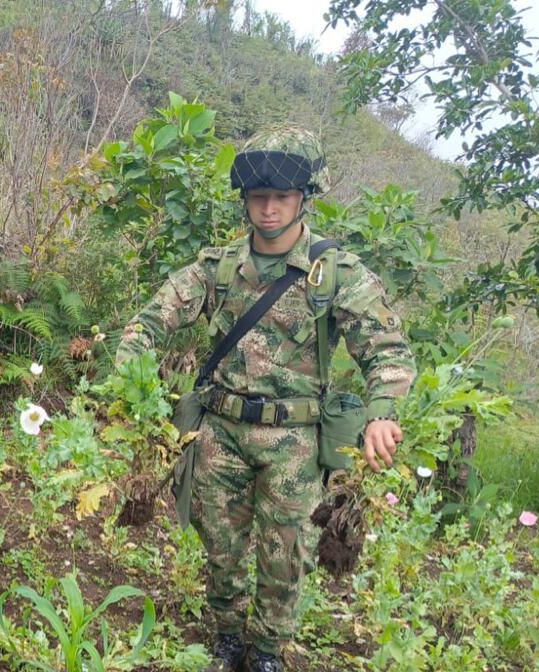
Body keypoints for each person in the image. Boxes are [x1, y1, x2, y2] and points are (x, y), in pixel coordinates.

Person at [115, 126, 417, 672]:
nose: (270, 208)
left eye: (282, 197)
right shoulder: (219, 268)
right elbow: (151, 321)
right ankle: (228, 635)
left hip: (295, 443)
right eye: (259, 197)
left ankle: (269, 650)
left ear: (305, 198)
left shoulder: (336, 274)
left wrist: (382, 413)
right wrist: (130, 380)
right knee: (220, 546)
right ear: (246, 200)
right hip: (221, 432)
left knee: (286, 554)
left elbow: (388, 350)